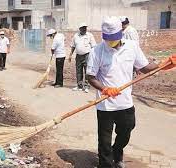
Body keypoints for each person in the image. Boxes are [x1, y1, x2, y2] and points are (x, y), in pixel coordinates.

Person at [86, 16, 176, 168]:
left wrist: (163, 64)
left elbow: (144, 67)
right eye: (107, 39)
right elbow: (90, 76)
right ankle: (106, 164)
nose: (110, 42)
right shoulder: (97, 51)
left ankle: (117, 151)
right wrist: (105, 89)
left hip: (125, 103)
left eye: (113, 38)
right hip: (105, 105)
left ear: (121, 32)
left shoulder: (132, 47)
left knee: (127, 130)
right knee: (104, 141)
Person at [69, 23, 96, 93]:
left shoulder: (90, 35)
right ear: (80, 29)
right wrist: (70, 55)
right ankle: (79, 85)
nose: (84, 29)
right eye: (83, 28)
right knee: (78, 71)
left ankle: (86, 86)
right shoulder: (76, 36)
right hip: (78, 56)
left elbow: (94, 46)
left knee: (87, 71)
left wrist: (93, 56)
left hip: (87, 55)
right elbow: (73, 46)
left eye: (85, 28)